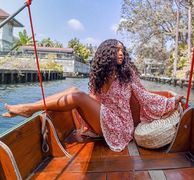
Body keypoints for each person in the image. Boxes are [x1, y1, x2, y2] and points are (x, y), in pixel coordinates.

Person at [3, 39, 183, 152]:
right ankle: (30, 107)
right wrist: (85, 122)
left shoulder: (127, 74)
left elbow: (145, 96)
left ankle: (29, 108)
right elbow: (94, 100)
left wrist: (170, 101)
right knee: (74, 90)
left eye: (122, 50)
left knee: (77, 95)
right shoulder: (99, 77)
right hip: (104, 120)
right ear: (106, 54)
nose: (120, 53)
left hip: (121, 127)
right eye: (116, 50)